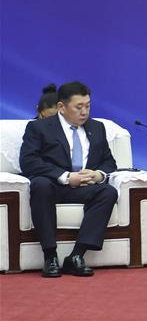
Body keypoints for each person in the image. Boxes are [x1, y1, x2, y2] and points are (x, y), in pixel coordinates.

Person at [19, 81, 118, 277]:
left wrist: (99, 175)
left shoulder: (97, 128)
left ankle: (77, 255)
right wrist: (65, 177)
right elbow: (28, 162)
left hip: (84, 187)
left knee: (108, 191)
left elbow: (109, 162)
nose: (84, 112)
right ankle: (50, 256)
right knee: (40, 184)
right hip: (53, 186)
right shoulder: (39, 128)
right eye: (79, 107)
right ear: (61, 107)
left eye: (88, 106)